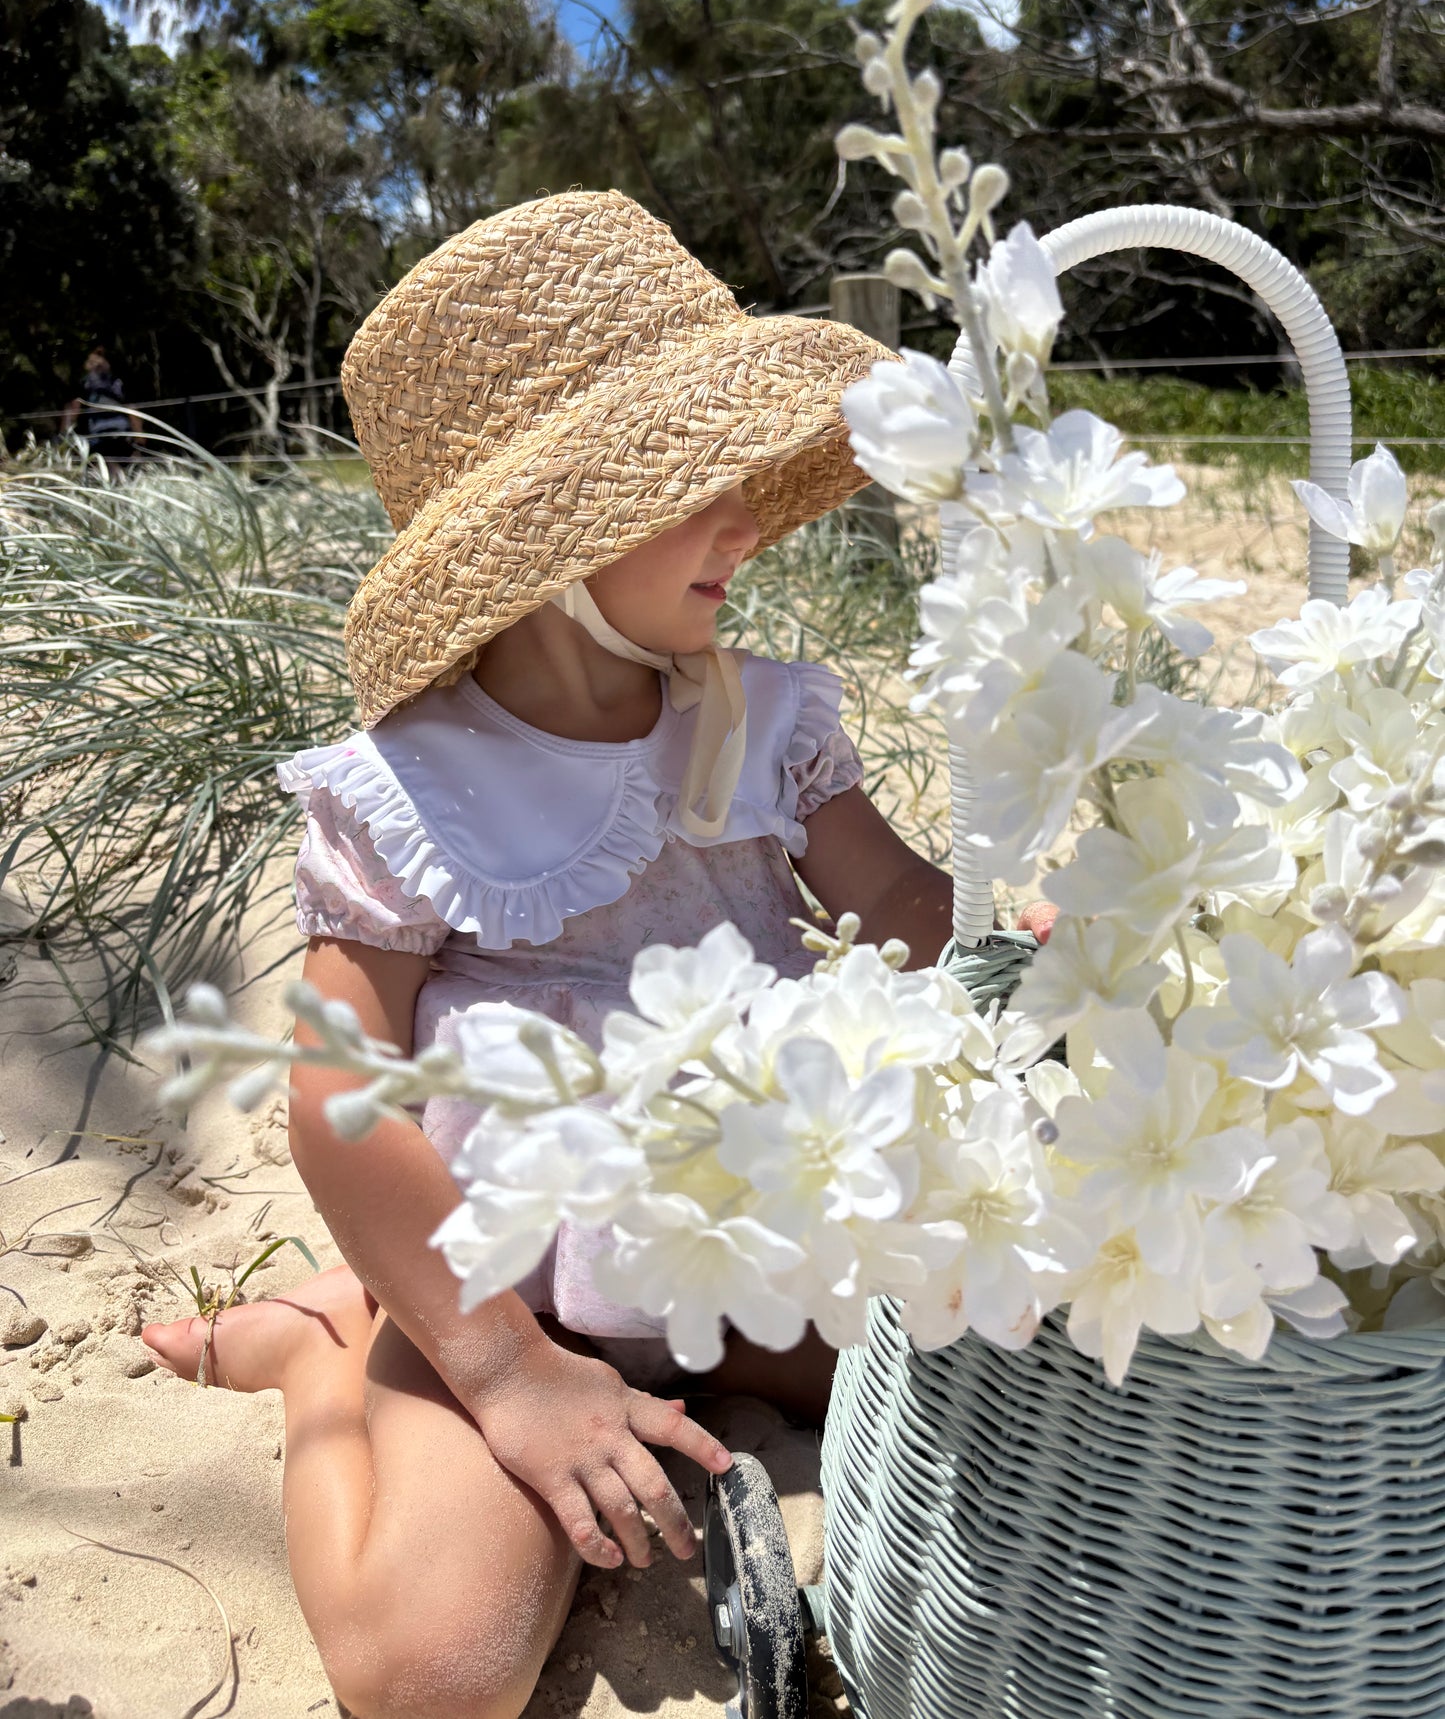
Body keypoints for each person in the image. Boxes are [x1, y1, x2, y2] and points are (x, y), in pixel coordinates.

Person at [141, 192, 1055, 1719]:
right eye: (696, 486)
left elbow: (897, 900)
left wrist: (1015, 952)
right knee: (434, 1666)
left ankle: (707, 1367)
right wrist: (504, 1368)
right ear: (549, 533)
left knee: (1021, 1381)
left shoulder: (764, 719)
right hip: (508, 1275)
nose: (746, 521)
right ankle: (330, 1342)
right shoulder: (412, 791)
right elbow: (336, 1094)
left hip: (749, 1230)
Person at [61, 345, 143, 457]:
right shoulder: (88, 385)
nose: (95, 365)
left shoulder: (117, 383)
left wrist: (64, 438)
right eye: (91, 362)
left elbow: (131, 409)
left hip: (110, 434)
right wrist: (139, 438)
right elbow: (72, 410)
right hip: (108, 434)